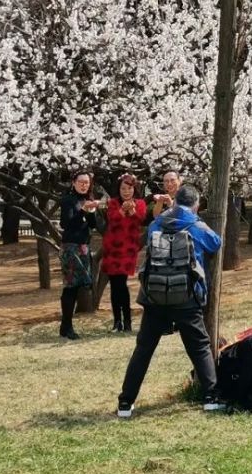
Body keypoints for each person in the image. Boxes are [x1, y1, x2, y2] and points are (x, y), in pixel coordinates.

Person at [116, 185, 225, 418]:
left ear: (175, 202)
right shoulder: (196, 225)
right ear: (195, 205)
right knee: (199, 347)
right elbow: (216, 243)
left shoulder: (157, 223)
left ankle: (125, 402)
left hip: (154, 297)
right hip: (186, 297)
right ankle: (211, 397)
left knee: (144, 349)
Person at [100, 173, 147, 333]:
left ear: (134, 189)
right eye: (123, 188)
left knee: (121, 283)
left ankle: (126, 321)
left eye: (129, 188)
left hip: (128, 248)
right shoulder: (113, 203)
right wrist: (121, 210)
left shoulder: (140, 203)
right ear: (118, 189)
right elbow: (112, 219)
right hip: (112, 247)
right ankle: (117, 322)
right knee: (114, 285)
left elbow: (141, 219)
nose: (126, 191)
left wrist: (132, 210)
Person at [58, 171, 102, 340]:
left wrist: (91, 211)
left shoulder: (87, 200)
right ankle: (66, 326)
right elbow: (66, 223)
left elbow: (92, 225)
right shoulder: (68, 200)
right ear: (74, 182)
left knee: (78, 287)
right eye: (81, 182)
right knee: (71, 286)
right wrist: (83, 210)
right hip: (71, 247)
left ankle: (66, 326)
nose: (84, 185)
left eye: (87, 182)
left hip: (83, 246)